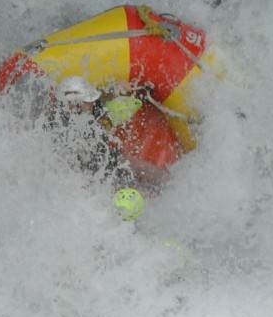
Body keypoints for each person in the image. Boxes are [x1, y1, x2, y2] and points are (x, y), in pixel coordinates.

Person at [54, 75, 183, 220]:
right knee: (131, 192)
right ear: (71, 105)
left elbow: (126, 105)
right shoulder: (61, 129)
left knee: (149, 172)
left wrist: (139, 93)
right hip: (93, 173)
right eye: (87, 102)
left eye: (90, 102)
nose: (91, 105)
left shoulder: (97, 114)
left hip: (109, 159)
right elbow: (75, 168)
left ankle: (177, 186)